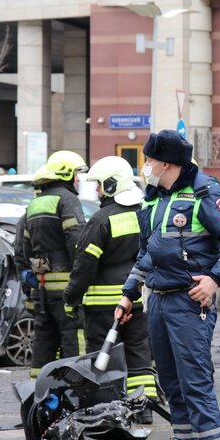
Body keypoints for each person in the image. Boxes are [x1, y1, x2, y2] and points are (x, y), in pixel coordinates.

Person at [116, 130, 220, 440]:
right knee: (173, 386)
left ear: (167, 164)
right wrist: (130, 294)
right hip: (159, 300)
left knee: (196, 385)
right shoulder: (155, 198)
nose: (145, 168)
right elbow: (148, 254)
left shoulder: (205, 192)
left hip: (190, 304)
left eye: (149, 161)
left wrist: (214, 280)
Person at [62, 156, 156, 422]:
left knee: (102, 358)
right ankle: (144, 409)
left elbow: (84, 265)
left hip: (102, 307)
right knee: (139, 355)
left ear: (112, 185)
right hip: (137, 300)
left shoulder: (101, 220)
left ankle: (107, 411)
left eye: (100, 186)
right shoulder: (144, 213)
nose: (97, 191)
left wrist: (71, 297)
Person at [19, 150, 88, 375]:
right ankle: (75, 389)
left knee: (44, 340)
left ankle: (37, 393)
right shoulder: (67, 200)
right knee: (73, 337)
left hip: (41, 289)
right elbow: (76, 242)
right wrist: (82, 277)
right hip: (66, 286)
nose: (78, 180)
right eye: (76, 174)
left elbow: (21, 248)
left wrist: (27, 276)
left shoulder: (35, 204)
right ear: (66, 174)